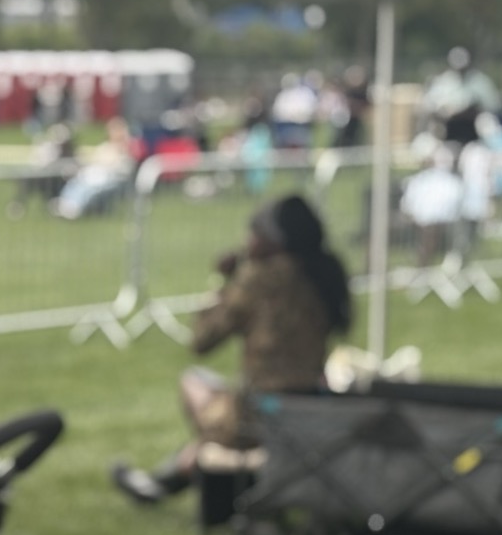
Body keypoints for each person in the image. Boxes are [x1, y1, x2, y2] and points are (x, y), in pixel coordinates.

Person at [112, 194, 351, 504]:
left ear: (271, 239)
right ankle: (167, 478)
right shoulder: (325, 273)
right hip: (312, 404)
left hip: (261, 413)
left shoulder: (257, 278)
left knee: (194, 383)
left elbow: (202, 340)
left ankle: (183, 477)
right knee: (219, 400)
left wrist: (225, 283)